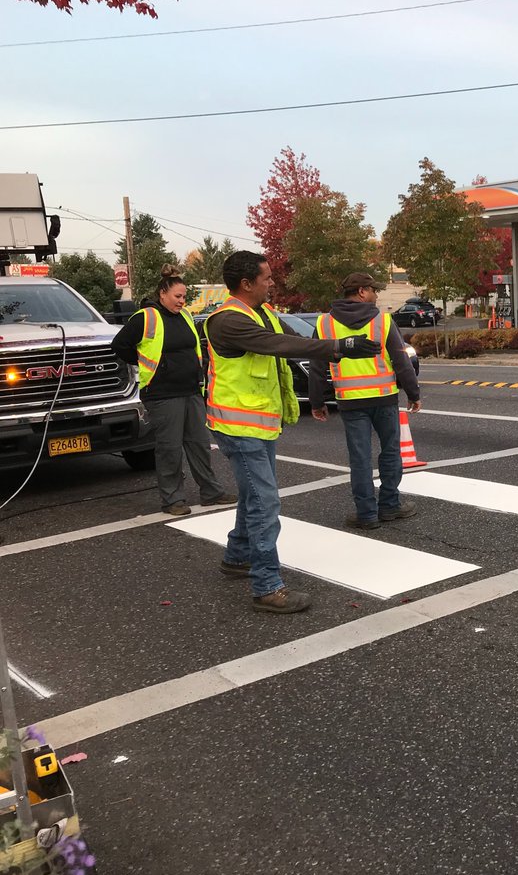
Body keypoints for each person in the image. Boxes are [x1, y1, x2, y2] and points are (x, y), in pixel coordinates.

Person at [205, 251, 382, 614]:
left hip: (258, 423)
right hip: (238, 427)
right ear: (246, 283)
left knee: (254, 496)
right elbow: (280, 345)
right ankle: (267, 586)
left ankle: (237, 557)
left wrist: (341, 340)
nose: (272, 282)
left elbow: (299, 338)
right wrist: (339, 348)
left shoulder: (264, 313)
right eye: (267, 277)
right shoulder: (227, 321)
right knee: (265, 502)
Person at [111, 264, 235, 515]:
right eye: (177, 297)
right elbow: (120, 345)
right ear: (162, 294)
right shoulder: (146, 317)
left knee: (199, 444)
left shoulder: (187, 316)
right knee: (169, 448)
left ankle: (211, 491)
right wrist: (146, 363)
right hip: (162, 393)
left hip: (190, 389)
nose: (181, 301)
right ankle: (173, 499)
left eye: (183, 297)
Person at [310, 273, 421, 530]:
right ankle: (390, 505)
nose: (376, 294)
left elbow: (317, 365)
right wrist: (413, 393)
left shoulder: (325, 323)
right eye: (373, 290)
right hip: (383, 398)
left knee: (359, 458)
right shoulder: (382, 320)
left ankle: (366, 513)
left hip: (350, 402)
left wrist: (317, 401)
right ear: (361, 291)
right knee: (391, 451)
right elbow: (401, 360)